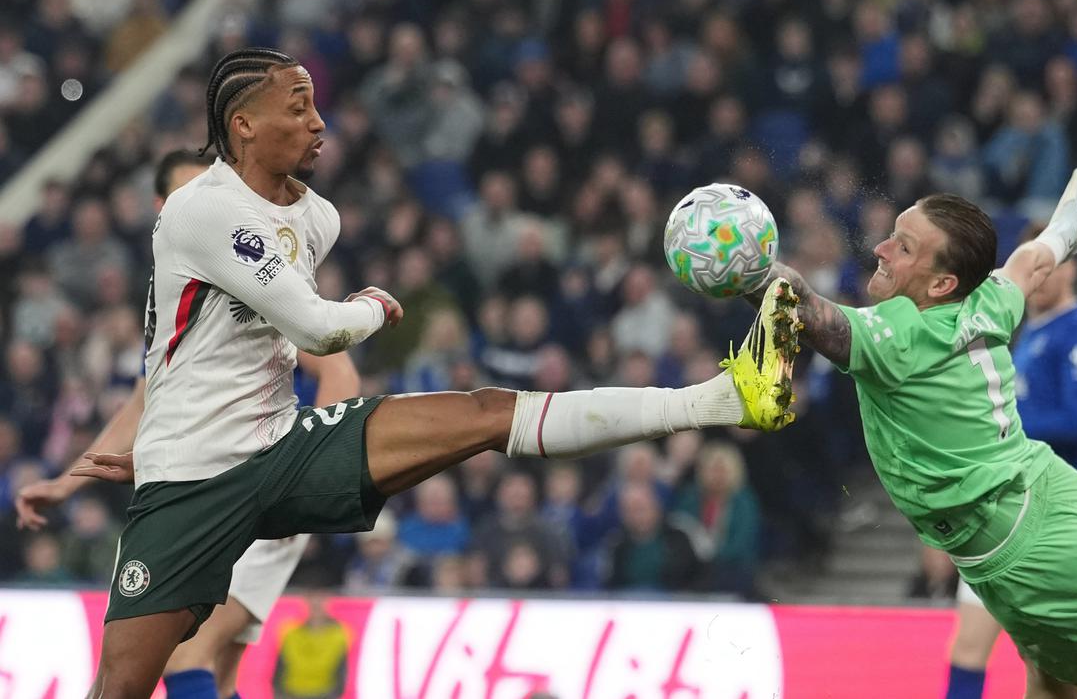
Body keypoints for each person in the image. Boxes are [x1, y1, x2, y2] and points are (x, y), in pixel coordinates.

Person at [71, 47, 801, 699]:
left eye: (318, 104)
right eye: (299, 109)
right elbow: (321, 326)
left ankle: (722, 398)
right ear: (243, 127)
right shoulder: (199, 213)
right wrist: (372, 305)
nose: (321, 123)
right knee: (124, 685)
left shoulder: (315, 215)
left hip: (282, 448)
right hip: (192, 481)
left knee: (484, 412)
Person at [746, 168, 1077, 696]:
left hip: (1028, 550)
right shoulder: (986, 301)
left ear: (940, 284)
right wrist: (1061, 235)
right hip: (1045, 505)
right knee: (1051, 684)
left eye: (903, 247)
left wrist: (747, 266)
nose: (881, 248)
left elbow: (807, 311)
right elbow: (1029, 263)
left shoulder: (898, 337)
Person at [15, 149, 362, 699]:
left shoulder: (250, 275)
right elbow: (142, 403)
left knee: (179, 658)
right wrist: (68, 481)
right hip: (207, 488)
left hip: (251, 483)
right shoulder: (175, 290)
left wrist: (304, 474)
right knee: (212, 673)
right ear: (162, 208)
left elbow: (337, 367)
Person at [944, 222, 1077, 699]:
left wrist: (1003, 425)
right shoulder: (1029, 332)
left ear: (1070, 268)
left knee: (1071, 663)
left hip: (1055, 517)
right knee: (969, 649)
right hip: (1004, 513)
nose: (1034, 277)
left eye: (1045, 265)